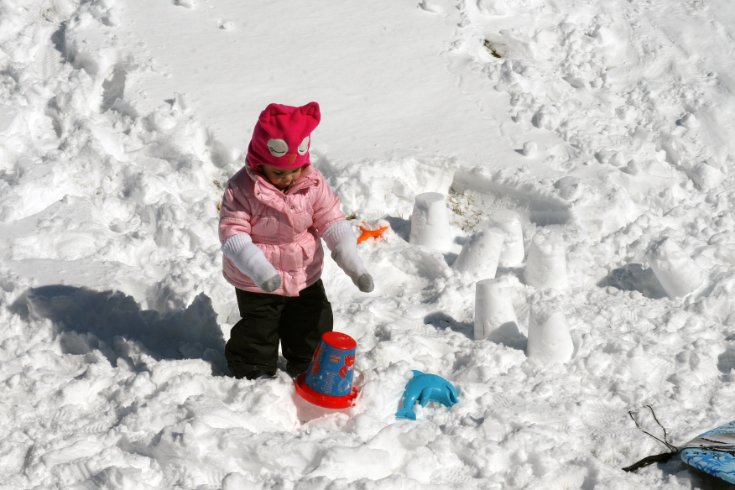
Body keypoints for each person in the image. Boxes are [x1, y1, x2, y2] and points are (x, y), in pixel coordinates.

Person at [218, 101, 373, 380]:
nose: (288, 178)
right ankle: (252, 374)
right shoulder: (242, 189)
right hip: (257, 281)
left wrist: (352, 263)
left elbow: (332, 220)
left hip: (304, 273)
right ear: (259, 161)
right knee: (259, 330)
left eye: (296, 169)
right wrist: (261, 270)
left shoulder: (312, 183)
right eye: (278, 172)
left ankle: (308, 366)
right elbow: (233, 235)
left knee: (312, 322)